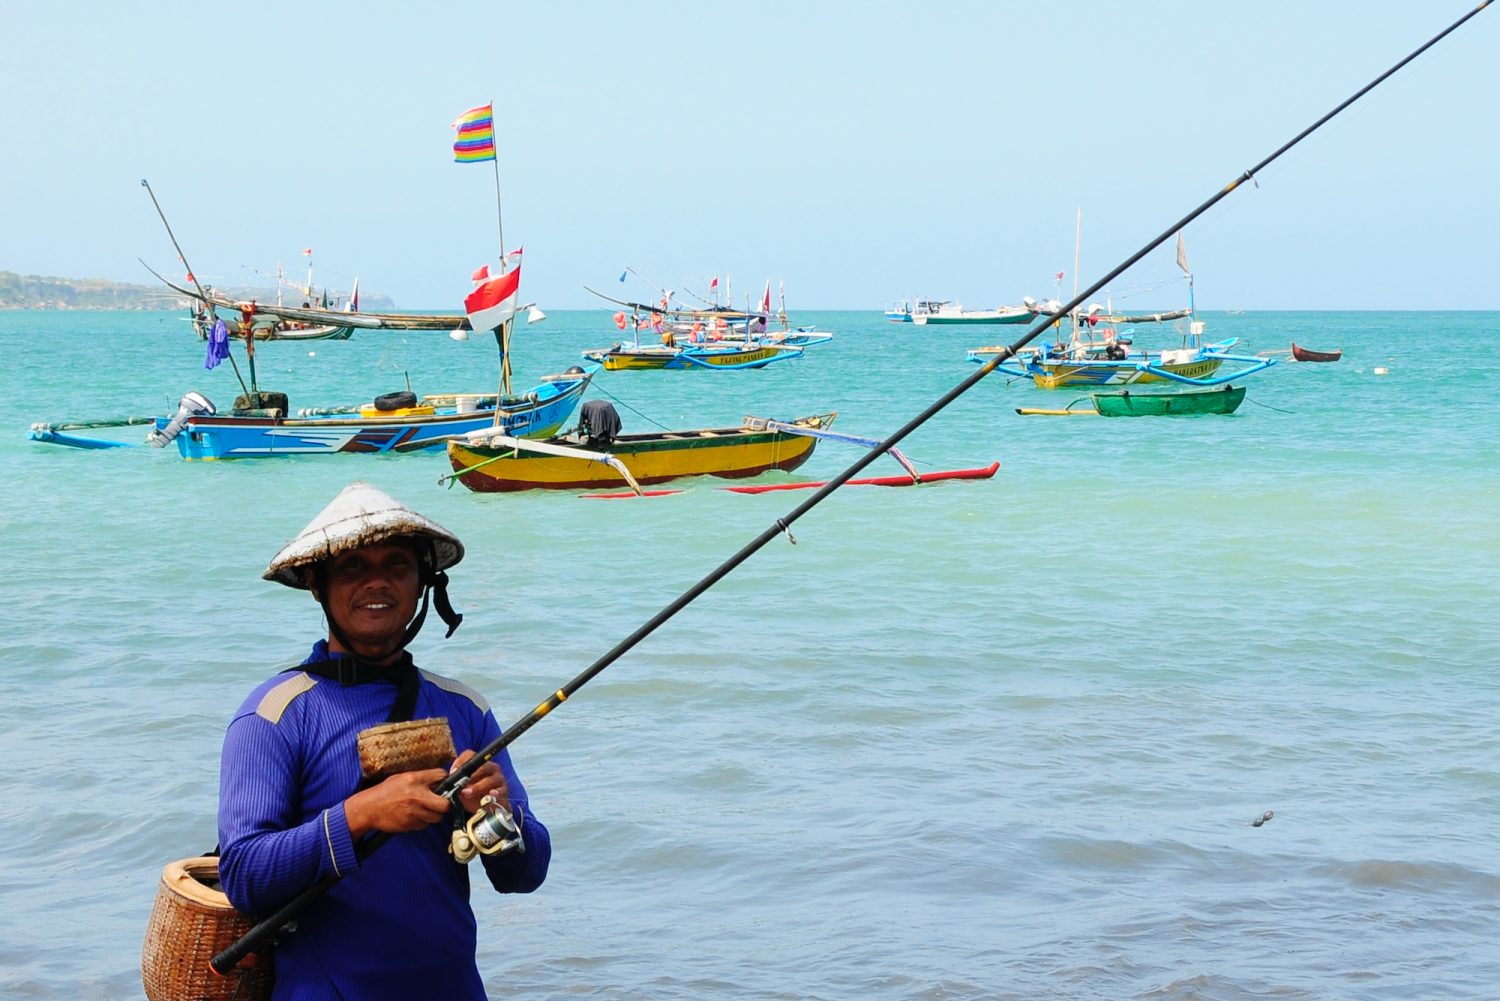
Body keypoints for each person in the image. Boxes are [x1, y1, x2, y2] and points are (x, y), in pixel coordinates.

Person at [217, 481, 550, 999]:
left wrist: (499, 811)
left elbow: (525, 875)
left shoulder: (464, 707)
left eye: (397, 565)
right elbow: (244, 876)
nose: (377, 583)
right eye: (352, 567)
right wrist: (362, 814)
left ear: (423, 584)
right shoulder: (274, 714)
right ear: (316, 583)